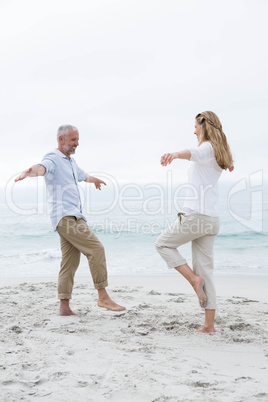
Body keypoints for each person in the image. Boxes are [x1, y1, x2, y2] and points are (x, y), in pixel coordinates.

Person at [15, 125, 125, 315]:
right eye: (73, 140)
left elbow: (84, 176)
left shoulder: (71, 162)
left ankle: (64, 308)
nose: (77, 143)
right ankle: (103, 297)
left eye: (77, 139)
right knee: (96, 249)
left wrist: (96, 180)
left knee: (70, 262)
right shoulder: (53, 158)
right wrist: (30, 171)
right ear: (61, 139)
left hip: (69, 217)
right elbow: (42, 168)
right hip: (67, 216)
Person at [155, 111, 234, 333]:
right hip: (212, 220)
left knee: (163, 244)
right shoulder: (220, 152)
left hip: (196, 216)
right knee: (206, 270)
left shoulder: (207, 148)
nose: (194, 131)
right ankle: (209, 325)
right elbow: (224, 163)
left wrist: (174, 154)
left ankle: (193, 280)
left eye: (196, 127)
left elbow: (193, 153)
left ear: (205, 126)